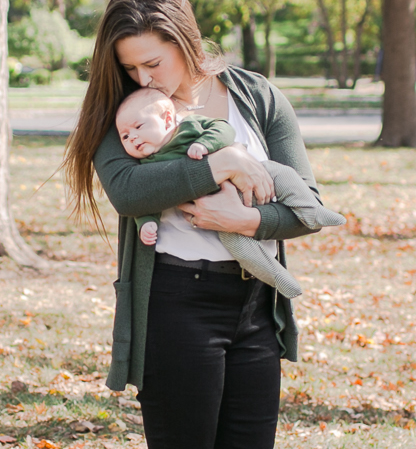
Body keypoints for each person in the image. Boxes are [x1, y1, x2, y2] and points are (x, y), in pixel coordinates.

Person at [61, 0, 332, 449]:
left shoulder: (254, 97)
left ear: (185, 40)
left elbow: (303, 201)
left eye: (155, 63)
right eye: (132, 67)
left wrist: (243, 222)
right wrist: (216, 167)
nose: (144, 80)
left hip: (252, 306)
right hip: (177, 302)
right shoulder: (123, 112)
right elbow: (126, 190)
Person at [114, 87, 344, 298]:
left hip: (255, 179)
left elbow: (223, 128)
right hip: (217, 211)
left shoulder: (189, 126)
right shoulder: (149, 165)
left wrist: (206, 144)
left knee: (282, 174)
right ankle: (278, 278)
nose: (132, 137)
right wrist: (146, 224)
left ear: (166, 119)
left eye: (138, 127)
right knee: (239, 246)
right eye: (124, 136)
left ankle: (311, 210)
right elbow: (146, 200)